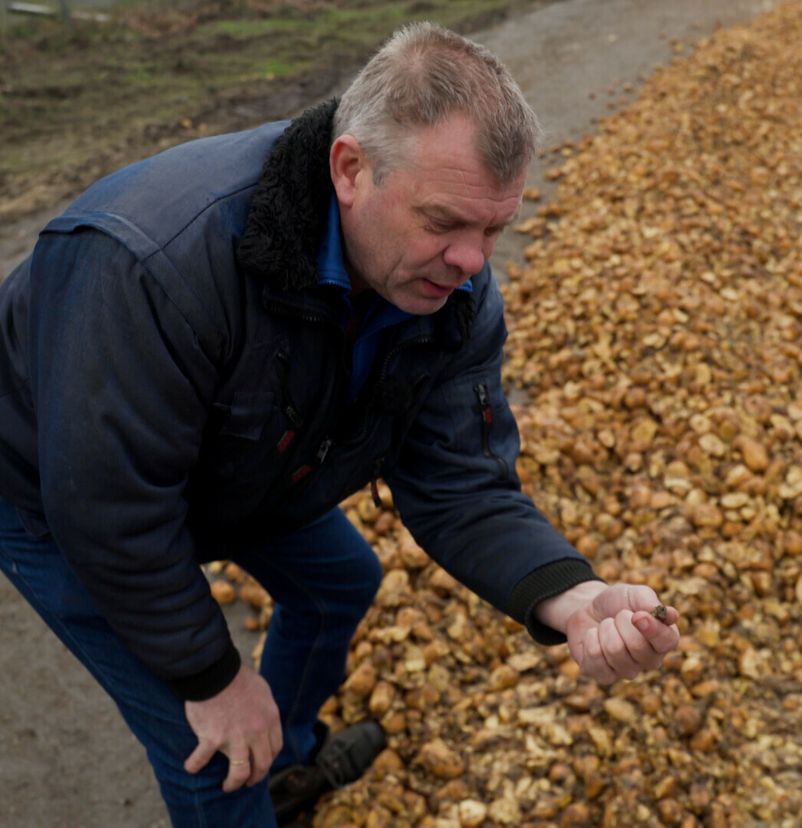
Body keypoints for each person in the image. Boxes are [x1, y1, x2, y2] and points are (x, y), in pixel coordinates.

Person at [0, 21, 680, 827]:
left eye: (493, 229)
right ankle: (254, 767)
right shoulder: (153, 263)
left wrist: (573, 596)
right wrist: (214, 680)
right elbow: (109, 510)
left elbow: (459, 483)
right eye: (445, 223)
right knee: (216, 752)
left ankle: (285, 762)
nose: (472, 262)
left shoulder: (448, 295)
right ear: (350, 169)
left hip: (238, 454)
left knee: (340, 585)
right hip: (55, 489)